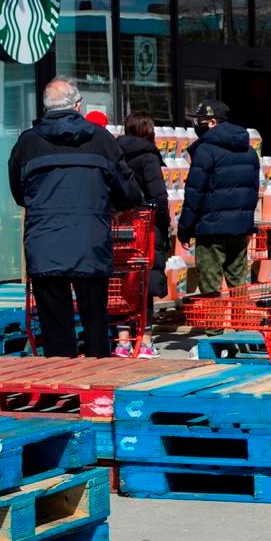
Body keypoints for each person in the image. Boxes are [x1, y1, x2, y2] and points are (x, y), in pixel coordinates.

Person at [8, 76, 142, 357]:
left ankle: (62, 377)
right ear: (78, 106)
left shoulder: (27, 143)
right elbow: (129, 192)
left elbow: (19, 193)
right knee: (95, 322)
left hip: (45, 244)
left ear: (46, 107)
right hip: (90, 241)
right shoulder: (101, 139)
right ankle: (97, 376)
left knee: (55, 327)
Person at [177, 99, 260, 321]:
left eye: (200, 120)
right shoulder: (249, 151)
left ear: (213, 122)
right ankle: (241, 326)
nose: (196, 125)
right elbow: (253, 191)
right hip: (239, 229)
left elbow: (194, 194)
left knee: (210, 283)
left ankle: (214, 329)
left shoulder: (205, 151)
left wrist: (185, 229)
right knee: (238, 282)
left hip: (210, 229)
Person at [115, 111, 169, 358]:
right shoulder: (148, 156)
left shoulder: (114, 153)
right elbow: (158, 196)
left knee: (122, 284)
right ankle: (145, 342)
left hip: (119, 225)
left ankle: (123, 341)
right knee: (144, 283)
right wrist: (164, 223)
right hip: (145, 226)